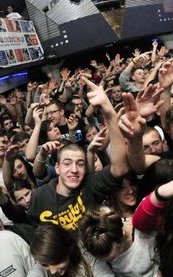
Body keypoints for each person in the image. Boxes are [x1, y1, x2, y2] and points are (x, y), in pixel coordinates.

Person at [28, 79, 129, 230]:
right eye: (67, 163)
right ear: (57, 168)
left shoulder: (90, 185)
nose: (74, 169)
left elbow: (120, 169)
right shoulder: (39, 197)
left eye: (80, 164)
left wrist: (111, 114)